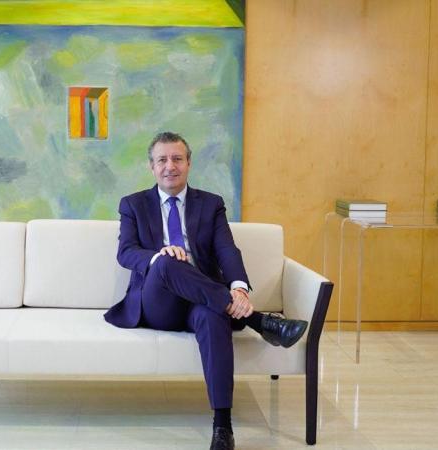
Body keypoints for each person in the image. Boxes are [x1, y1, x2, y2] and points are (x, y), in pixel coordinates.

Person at [104, 131, 308, 450]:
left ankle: (222, 427)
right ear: (151, 166)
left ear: (189, 163)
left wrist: (239, 288)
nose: (170, 166)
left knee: (214, 317)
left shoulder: (210, 204)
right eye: (162, 160)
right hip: (159, 303)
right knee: (167, 261)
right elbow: (126, 252)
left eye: (177, 158)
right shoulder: (133, 204)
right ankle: (258, 321)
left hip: (203, 301)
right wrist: (159, 256)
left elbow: (227, 250)